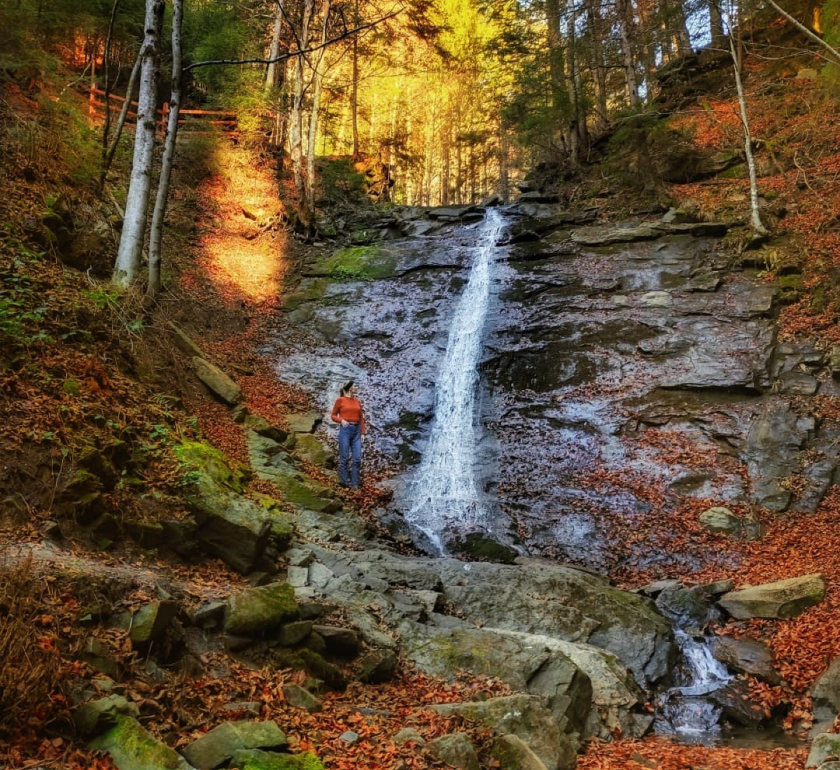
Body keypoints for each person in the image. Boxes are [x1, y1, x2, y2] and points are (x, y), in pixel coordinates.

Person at [331, 380, 365, 488]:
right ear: (349, 387)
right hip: (345, 430)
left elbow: (361, 419)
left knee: (357, 459)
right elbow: (333, 415)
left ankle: (355, 484)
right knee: (344, 458)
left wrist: (363, 433)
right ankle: (345, 483)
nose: (357, 387)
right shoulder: (340, 400)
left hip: (357, 431)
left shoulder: (357, 402)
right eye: (355, 386)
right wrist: (341, 420)